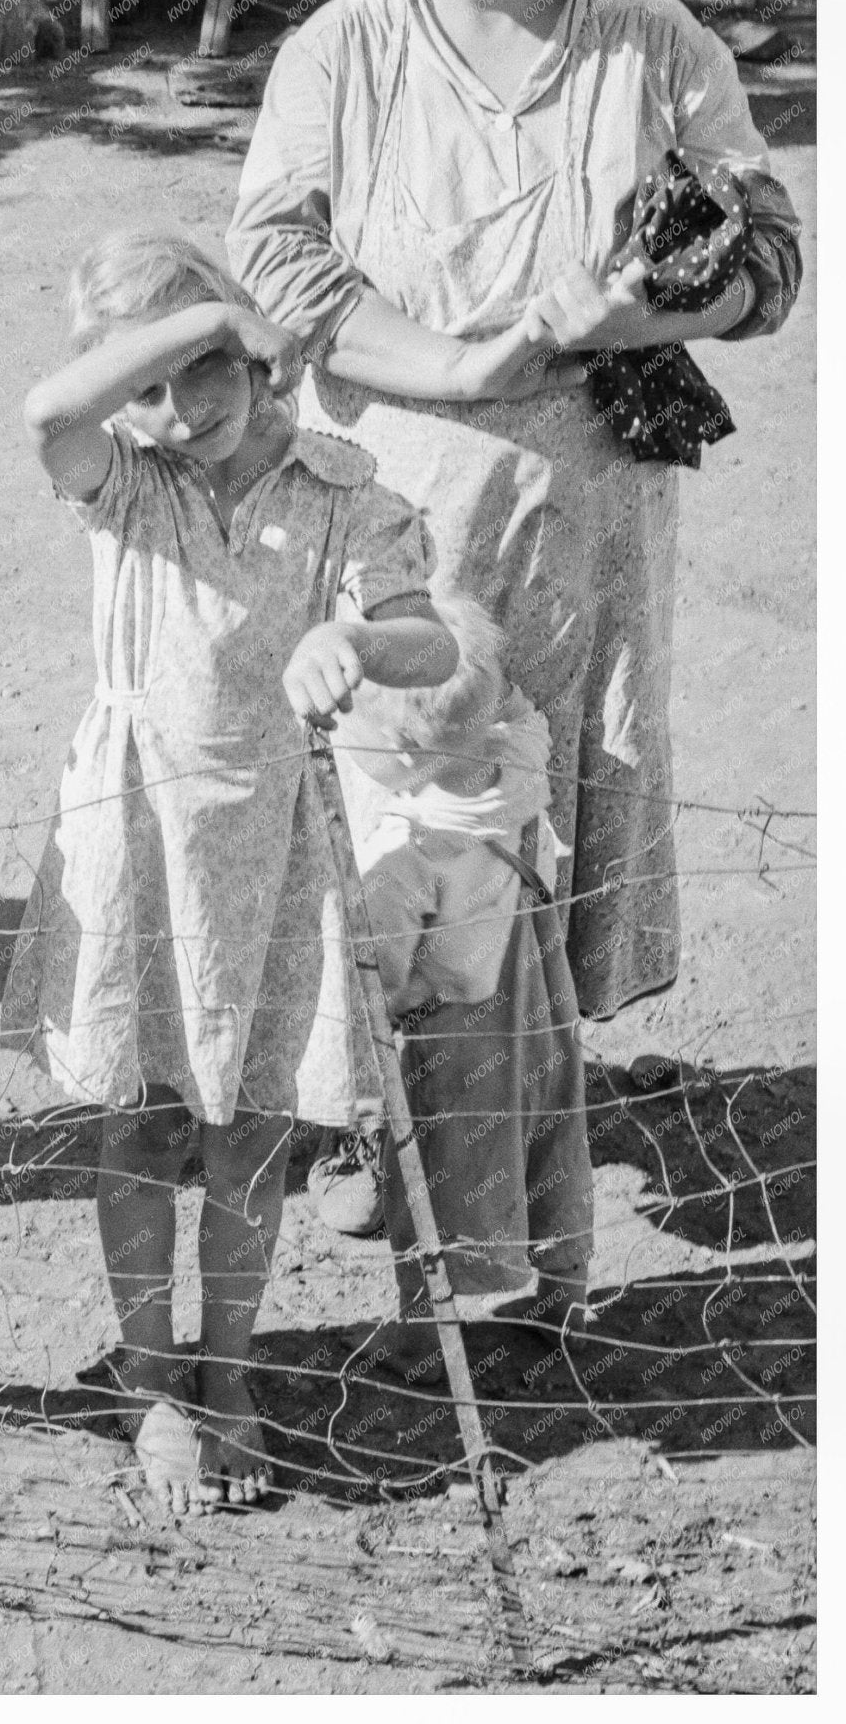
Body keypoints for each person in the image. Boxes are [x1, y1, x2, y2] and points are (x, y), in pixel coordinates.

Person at [228, 0, 801, 1023]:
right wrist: (466, 361)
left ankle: (533, 1100)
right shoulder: (343, 52)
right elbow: (277, 264)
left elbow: (769, 259)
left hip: (588, 515)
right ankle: (370, 1107)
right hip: (391, 505)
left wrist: (631, 321)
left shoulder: (657, 47)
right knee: (383, 784)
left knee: (558, 784)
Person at [0, 229, 456, 1515]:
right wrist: (197, 336)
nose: (170, 411)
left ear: (251, 362)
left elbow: (429, 642)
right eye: (140, 386)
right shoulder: (122, 478)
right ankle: (152, 1378)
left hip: (276, 850)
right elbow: (49, 407)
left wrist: (353, 635)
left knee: (251, 1133)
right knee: (139, 1121)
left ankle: (232, 1367)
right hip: (136, 834)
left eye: (198, 374)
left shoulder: (341, 488)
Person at [330, 588, 594, 1379]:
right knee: (552, 1135)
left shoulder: (405, 852)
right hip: (537, 988)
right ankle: (563, 1293)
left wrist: (392, 1009)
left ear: (399, 755)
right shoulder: (519, 756)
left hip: (456, 1020)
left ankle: (420, 1336)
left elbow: (388, 969)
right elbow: (520, 708)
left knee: (433, 1171)